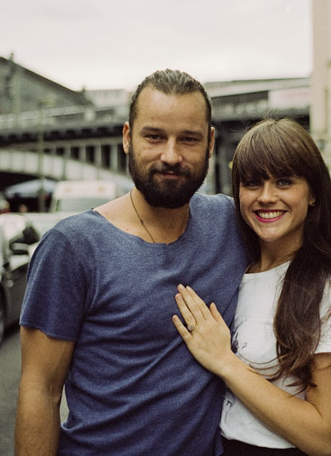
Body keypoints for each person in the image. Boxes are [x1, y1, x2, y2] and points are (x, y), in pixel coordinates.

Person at [15, 69, 249, 456]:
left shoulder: (233, 223)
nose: (170, 156)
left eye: (188, 139)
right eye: (154, 137)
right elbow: (40, 389)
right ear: (127, 137)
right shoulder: (72, 247)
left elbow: (316, 257)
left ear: (209, 143)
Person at [173, 118, 331, 455]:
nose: (266, 197)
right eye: (253, 183)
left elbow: (324, 436)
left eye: (284, 181)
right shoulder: (234, 263)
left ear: (314, 192)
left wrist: (226, 363)